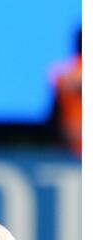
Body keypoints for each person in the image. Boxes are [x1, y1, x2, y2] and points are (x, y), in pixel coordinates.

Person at [49, 27, 80, 155]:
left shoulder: (62, 73)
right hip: (73, 143)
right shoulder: (64, 74)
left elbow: (54, 115)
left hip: (68, 142)